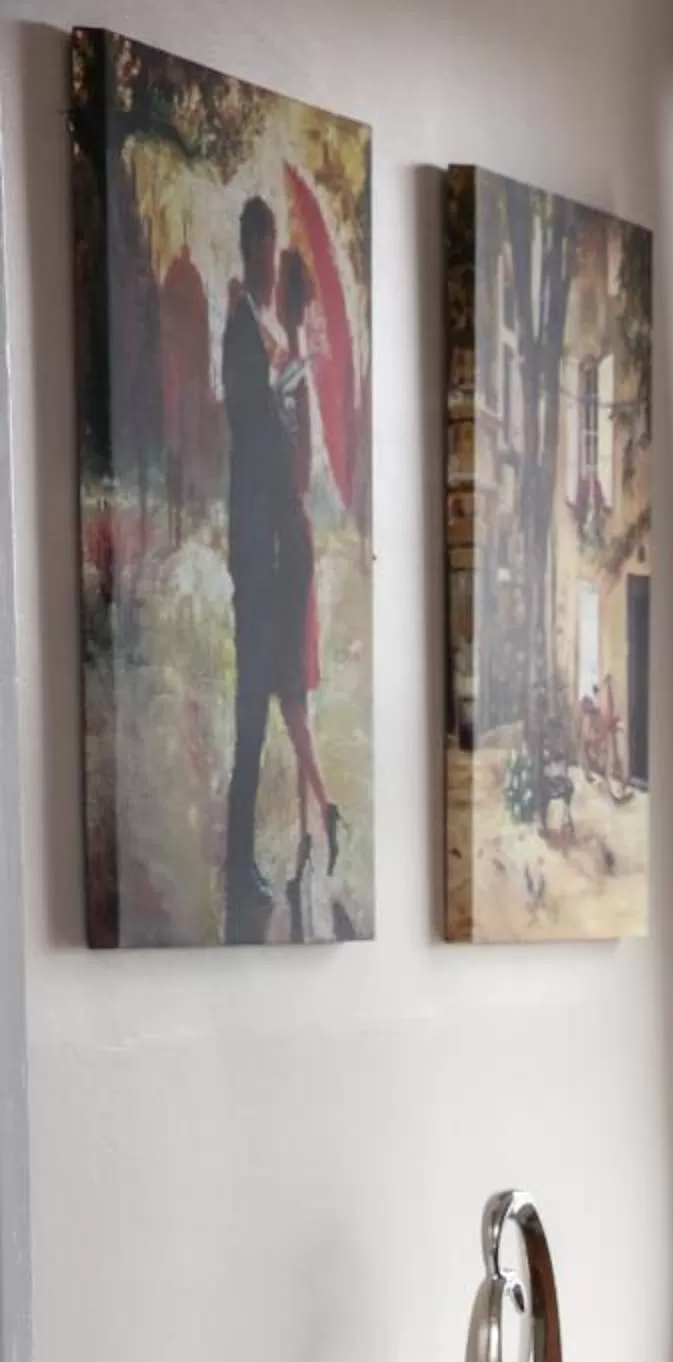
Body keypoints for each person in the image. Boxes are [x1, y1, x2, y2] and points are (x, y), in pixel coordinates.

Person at [221, 197, 288, 941]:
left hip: (263, 541)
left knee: (260, 704)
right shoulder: (241, 330)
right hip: (253, 544)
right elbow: (249, 428)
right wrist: (277, 396)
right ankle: (237, 863)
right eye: (266, 248)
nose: (271, 262)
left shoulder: (255, 330)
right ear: (252, 247)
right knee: (249, 705)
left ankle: (241, 860)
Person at [273, 247, 341, 882]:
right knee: (296, 690)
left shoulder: (288, 371)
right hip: (301, 533)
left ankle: (325, 808)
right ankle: (308, 829)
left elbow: (294, 467)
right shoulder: (300, 371)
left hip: (286, 539)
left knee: (288, 691)